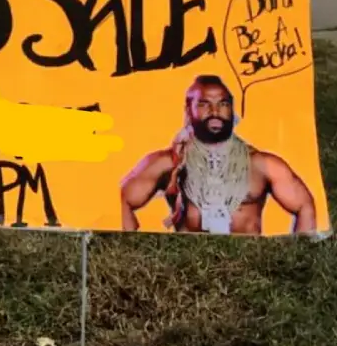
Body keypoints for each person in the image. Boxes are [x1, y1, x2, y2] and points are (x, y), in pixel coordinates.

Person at [120, 74, 316, 234]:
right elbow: (122, 200)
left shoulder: (262, 164)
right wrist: (131, 251)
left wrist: (298, 256)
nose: (215, 111)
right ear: (188, 110)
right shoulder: (169, 162)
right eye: (204, 104)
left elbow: (304, 206)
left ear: (232, 109)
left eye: (223, 104)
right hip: (189, 263)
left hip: (248, 265)